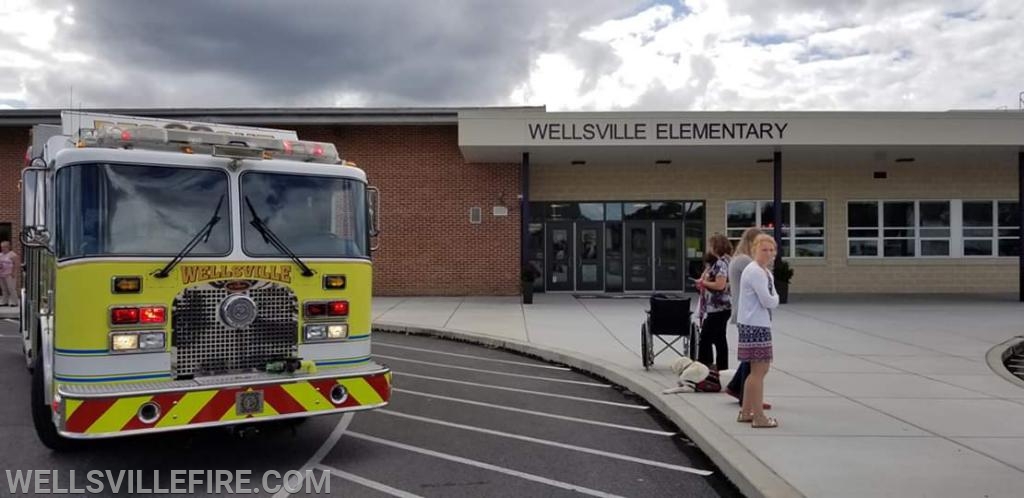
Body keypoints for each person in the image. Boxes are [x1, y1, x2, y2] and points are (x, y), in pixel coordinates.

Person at [726, 228, 772, 410]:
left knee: (749, 357)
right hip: (751, 315)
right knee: (754, 360)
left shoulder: (738, 260)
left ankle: (736, 388)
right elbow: (764, 290)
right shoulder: (747, 263)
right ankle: (747, 398)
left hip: (744, 312)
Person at [737, 234, 780, 428]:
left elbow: (772, 297)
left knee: (755, 371)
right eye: (764, 249)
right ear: (754, 249)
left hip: (757, 323)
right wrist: (775, 299)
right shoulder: (755, 271)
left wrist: (774, 298)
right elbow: (768, 300)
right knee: (759, 371)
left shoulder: (765, 272)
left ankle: (746, 411)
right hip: (755, 325)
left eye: (772, 250)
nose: (769, 253)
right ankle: (759, 417)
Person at [696, 233, 732, 372]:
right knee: (719, 338)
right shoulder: (719, 262)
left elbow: (720, 285)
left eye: (711, 245)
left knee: (705, 338)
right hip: (718, 307)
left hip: (719, 307)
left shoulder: (721, 264)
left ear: (716, 246)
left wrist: (703, 283)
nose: (709, 248)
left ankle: (704, 367)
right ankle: (722, 368)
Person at [0, 241, 18, 307]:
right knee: (4, 289)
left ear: (8, 247)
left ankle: (14, 302)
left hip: (9, 274)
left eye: (5, 247)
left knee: (11, 288)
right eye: (2, 247)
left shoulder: (12, 254)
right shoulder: (0, 255)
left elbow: (16, 264)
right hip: (1, 274)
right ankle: (5, 301)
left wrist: (14, 273)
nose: (3, 248)